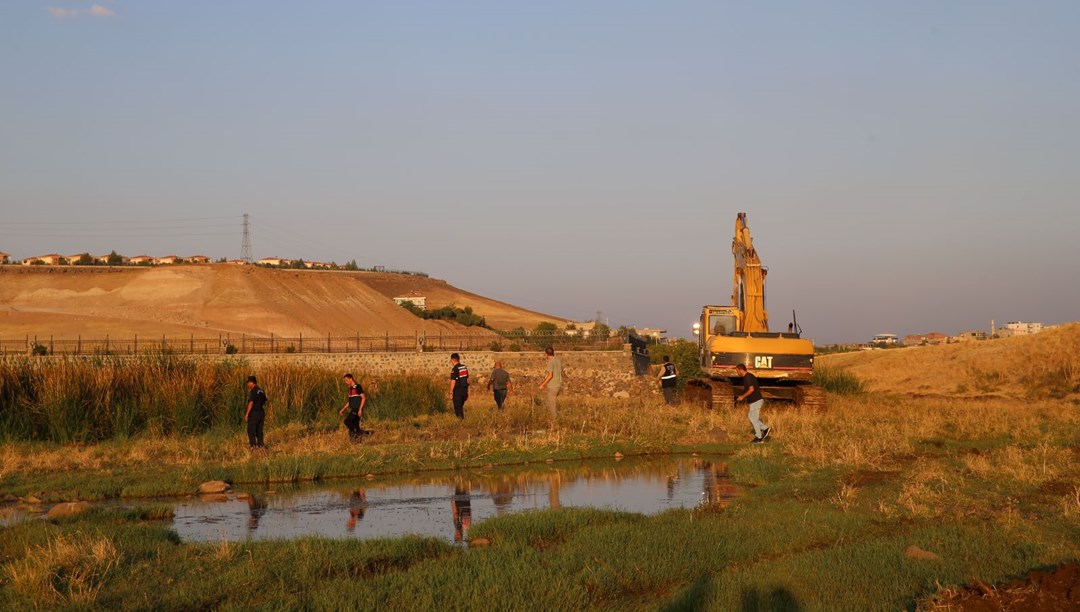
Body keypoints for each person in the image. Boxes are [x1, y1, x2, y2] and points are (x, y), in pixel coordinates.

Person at [735, 363, 770, 443]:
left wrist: (742, 397)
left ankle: (759, 437)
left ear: (741, 370)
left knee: (753, 418)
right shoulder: (748, 377)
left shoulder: (748, 377)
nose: (737, 373)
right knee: (752, 417)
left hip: (756, 400)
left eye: (737, 371)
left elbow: (751, 389)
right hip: (754, 401)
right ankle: (765, 429)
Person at [538, 347, 565, 424]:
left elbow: (550, 375)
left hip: (553, 386)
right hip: (558, 384)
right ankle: (551, 419)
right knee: (548, 403)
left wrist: (542, 384)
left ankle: (554, 423)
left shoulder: (550, 362)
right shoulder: (558, 361)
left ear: (546, 354)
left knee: (552, 405)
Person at [338, 373, 367, 442]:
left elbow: (363, 398)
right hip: (353, 408)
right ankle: (356, 441)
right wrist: (343, 409)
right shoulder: (350, 389)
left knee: (347, 421)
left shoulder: (358, 387)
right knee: (355, 425)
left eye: (346, 380)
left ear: (351, 379)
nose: (345, 382)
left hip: (357, 409)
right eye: (345, 381)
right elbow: (349, 402)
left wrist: (360, 409)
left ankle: (357, 433)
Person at [244, 375, 268, 448]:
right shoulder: (261, 391)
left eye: (248, 383)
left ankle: (253, 446)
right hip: (261, 412)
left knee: (251, 429)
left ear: (252, 382)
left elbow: (251, 403)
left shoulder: (253, 391)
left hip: (254, 413)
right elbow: (265, 401)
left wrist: (247, 414)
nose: (247, 384)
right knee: (259, 430)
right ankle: (261, 445)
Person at [449, 353, 469, 419]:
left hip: (458, 391)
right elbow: (466, 378)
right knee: (460, 407)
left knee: (457, 408)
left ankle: (461, 422)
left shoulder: (454, 369)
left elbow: (453, 381)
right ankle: (462, 421)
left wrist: (451, 392)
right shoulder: (464, 367)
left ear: (452, 360)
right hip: (464, 390)